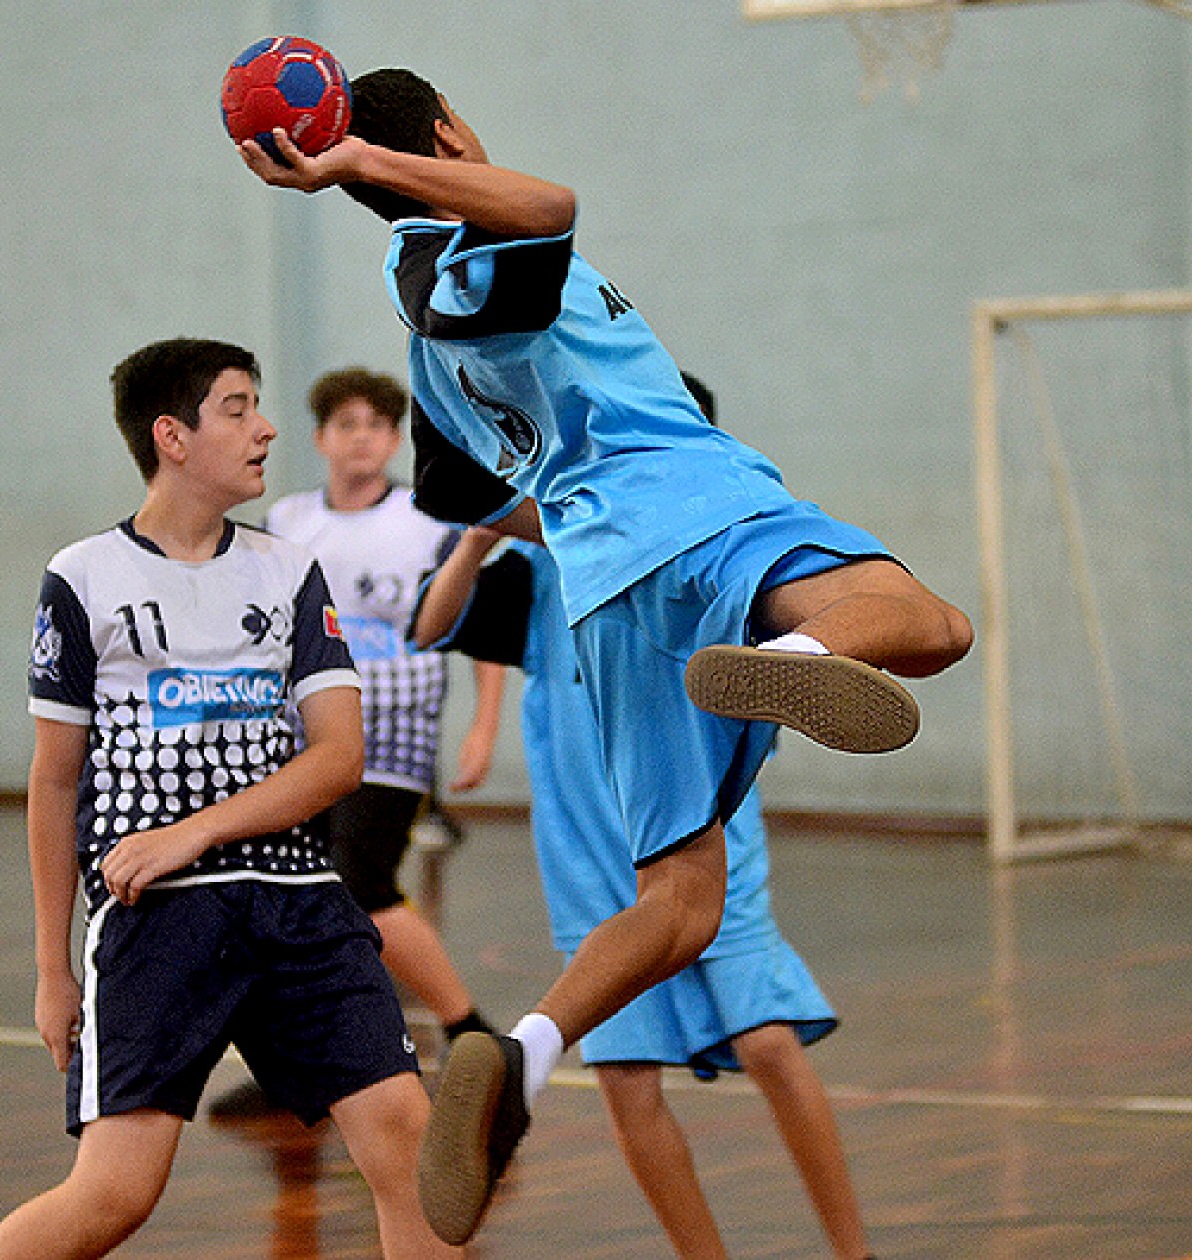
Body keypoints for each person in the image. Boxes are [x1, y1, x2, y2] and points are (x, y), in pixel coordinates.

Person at [239, 70, 974, 1244]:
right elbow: (550, 205)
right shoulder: (465, 248)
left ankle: (525, 1054)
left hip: (605, 585)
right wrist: (360, 168)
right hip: (696, 509)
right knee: (933, 625)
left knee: (676, 898)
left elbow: (446, 488)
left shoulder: (425, 330)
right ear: (450, 136)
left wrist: (558, 510)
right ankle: (801, 650)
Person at [0, 338, 456, 1259]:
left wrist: (190, 833)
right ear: (173, 436)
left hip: (300, 902)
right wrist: (50, 969)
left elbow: (338, 758)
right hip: (158, 921)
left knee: (409, 1144)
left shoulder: (288, 570)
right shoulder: (81, 578)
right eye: (237, 408)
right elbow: (53, 781)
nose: (264, 428)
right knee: (114, 1195)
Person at [408, 374, 875, 1260]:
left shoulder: (709, 560)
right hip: (589, 863)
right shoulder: (542, 567)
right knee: (625, 1079)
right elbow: (428, 626)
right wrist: (476, 533)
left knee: (770, 1043)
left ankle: (855, 1252)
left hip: (704, 840)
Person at [207, 366, 498, 1121]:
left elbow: (480, 625)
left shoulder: (426, 520)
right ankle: (297, 1062)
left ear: (395, 439)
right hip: (303, 729)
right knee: (291, 895)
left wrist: (484, 723)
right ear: (320, 439)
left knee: (361, 881)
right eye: (346, 424)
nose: (360, 437)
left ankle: (471, 1032)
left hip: (394, 730)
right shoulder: (291, 518)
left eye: (375, 424)